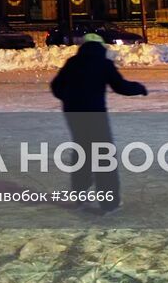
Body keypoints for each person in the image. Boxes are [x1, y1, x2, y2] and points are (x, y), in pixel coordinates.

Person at [49, 34, 149, 216]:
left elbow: (56, 86)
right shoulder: (104, 64)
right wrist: (139, 88)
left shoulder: (72, 62)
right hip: (95, 115)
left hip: (74, 114)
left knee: (82, 151)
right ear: (101, 48)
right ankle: (109, 203)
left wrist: (70, 99)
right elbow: (120, 86)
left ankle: (79, 196)